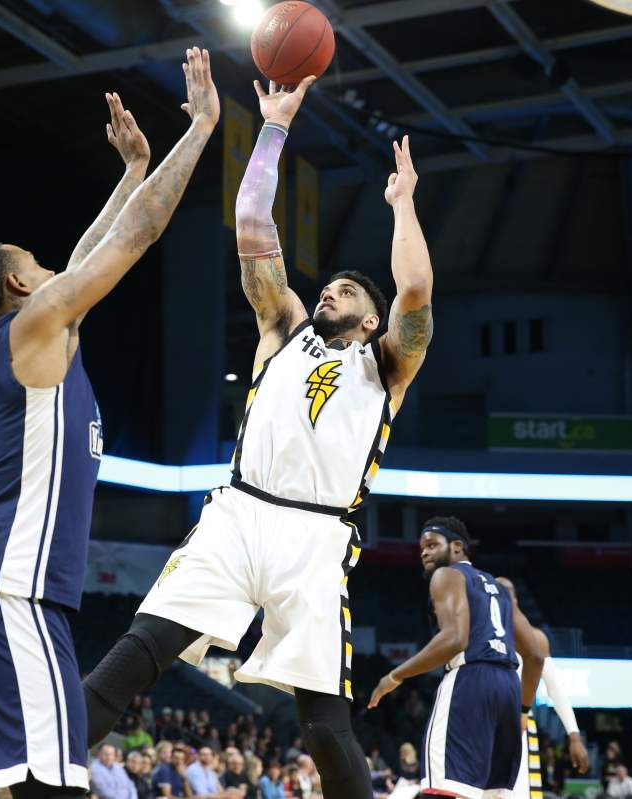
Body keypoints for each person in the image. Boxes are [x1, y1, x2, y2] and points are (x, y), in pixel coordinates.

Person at [83, 73, 435, 799]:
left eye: (348, 291)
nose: (332, 290)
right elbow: (252, 222)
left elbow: (416, 293)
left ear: (371, 320)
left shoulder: (386, 363)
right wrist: (272, 128)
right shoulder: (283, 328)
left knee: (322, 727)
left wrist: (402, 207)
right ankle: (30, 778)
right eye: (330, 285)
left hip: (316, 538)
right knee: (137, 653)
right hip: (238, 512)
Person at [0, 47, 220, 799]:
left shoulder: (31, 336)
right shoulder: (31, 329)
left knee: (5, 789)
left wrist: (128, 172)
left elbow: (93, 252)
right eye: (40, 261)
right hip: (6, 590)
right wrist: (201, 131)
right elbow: (132, 241)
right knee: (53, 788)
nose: (58, 266)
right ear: (20, 283)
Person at [368, 517, 544, 799]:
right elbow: (535, 655)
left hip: (470, 680)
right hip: (509, 687)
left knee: (445, 790)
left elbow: (454, 639)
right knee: (486, 793)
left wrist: (394, 676)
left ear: (458, 546)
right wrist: (523, 710)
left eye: (432, 544)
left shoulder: (447, 575)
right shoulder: (501, 589)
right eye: (421, 548)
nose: (424, 552)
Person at [493, 576, 590, 799]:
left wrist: (574, 736)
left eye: (508, 597)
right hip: (484, 723)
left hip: (519, 724)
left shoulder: (536, 638)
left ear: (516, 600)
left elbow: (556, 689)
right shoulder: (477, 636)